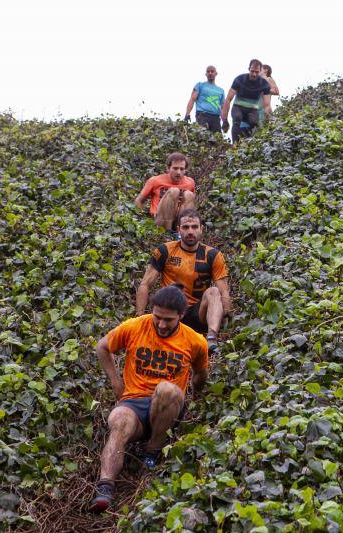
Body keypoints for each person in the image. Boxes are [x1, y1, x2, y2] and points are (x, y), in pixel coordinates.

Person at [89, 285, 209, 513]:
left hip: (168, 407)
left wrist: (197, 395)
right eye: (157, 317)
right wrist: (116, 382)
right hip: (133, 403)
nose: (161, 325)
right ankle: (105, 486)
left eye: (168, 320)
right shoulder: (135, 327)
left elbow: (201, 374)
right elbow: (102, 347)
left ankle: (152, 450)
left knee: (167, 390)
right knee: (119, 418)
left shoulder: (195, 341)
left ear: (181, 315)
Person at [136, 209, 231, 353]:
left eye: (194, 227)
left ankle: (211, 337)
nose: (190, 231)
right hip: (170, 311)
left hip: (196, 314)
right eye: (186, 227)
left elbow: (224, 291)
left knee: (214, 291)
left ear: (201, 229)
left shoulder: (213, 255)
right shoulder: (165, 251)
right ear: (178, 229)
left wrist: (227, 315)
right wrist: (139, 319)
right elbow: (145, 284)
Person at [134, 153, 196, 236]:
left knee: (189, 195)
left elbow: (190, 205)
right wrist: (141, 220)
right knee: (174, 191)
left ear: (185, 170)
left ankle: (182, 232)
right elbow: (139, 200)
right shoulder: (155, 180)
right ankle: (168, 233)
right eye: (175, 168)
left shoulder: (190, 182)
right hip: (160, 220)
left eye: (182, 169)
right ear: (168, 168)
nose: (178, 172)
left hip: (178, 221)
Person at [220, 59, 271, 142]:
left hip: (252, 109)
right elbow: (228, 99)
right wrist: (225, 120)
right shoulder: (239, 79)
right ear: (249, 69)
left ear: (260, 71)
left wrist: (266, 121)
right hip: (238, 107)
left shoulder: (264, 84)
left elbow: (267, 105)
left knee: (254, 122)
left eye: (257, 72)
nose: (254, 74)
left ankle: (252, 143)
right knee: (237, 117)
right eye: (252, 71)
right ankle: (235, 144)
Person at [185, 65, 225, 133]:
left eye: (212, 71)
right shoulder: (200, 85)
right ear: (206, 74)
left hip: (216, 118)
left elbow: (223, 107)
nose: (210, 73)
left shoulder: (221, 90)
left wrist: (225, 121)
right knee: (203, 136)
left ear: (216, 73)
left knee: (217, 138)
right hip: (202, 115)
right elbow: (192, 99)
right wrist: (187, 114)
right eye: (208, 71)